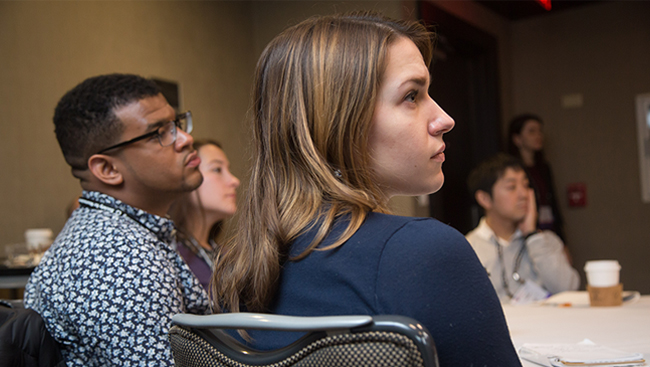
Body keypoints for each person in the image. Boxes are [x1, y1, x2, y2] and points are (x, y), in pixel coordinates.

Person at [212, 12, 522, 367]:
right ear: (338, 122)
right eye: (411, 96)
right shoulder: (423, 254)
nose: (444, 119)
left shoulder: (238, 269)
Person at [24, 74, 210, 366]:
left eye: (177, 123)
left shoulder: (114, 232)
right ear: (107, 169)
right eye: (159, 133)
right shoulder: (118, 256)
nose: (186, 139)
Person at [466, 153, 579, 303]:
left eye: (526, 186)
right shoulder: (468, 248)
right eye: (511, 187)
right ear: (485, 199)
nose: (523, 194)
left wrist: (532, 236)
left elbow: (569, 290)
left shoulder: (546, 242)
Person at [169, 139, 240, 291]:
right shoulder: (170, 256)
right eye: (217, 169)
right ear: (188, 178)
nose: (234, 181)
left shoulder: (229, 257)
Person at [508, 113, 565, 240]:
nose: (538, 136)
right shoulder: (512, 170)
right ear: (517, 139)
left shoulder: (544, 167)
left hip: (550, 225)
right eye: (532, 131)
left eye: (540, 131)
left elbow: (553, 203)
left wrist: (563, 239)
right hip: (526, 227)